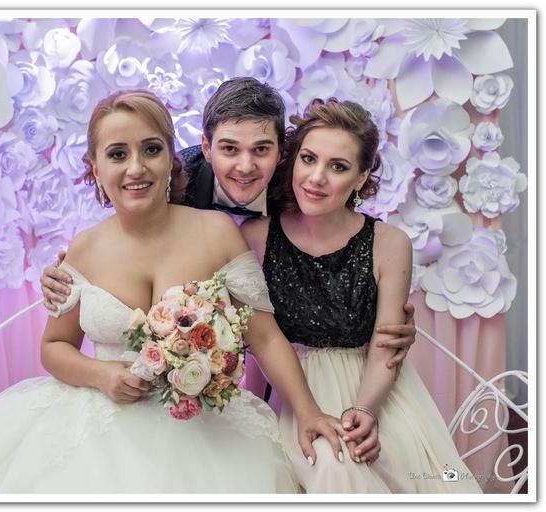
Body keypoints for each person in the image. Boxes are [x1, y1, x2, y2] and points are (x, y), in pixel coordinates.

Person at [0, 90, 360, 494]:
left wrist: (308, 412)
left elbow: (265, 336)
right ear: (95, 168)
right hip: (96, 422)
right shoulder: (84, 248)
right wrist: (101, 375)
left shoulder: (217, 232)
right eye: (117, 154)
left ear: (171, 159)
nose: (136, 168)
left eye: (151, 150)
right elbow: (54, 348)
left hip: (202, 425)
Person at [42, 78, 418, 409]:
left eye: (261, 149)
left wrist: (376, 317)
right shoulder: (168, 183)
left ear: (282, 151)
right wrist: (72, 277)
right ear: (206, 148)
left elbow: (337, 264)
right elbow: (129, 240)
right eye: (229, 149)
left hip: (276, 357)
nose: (244, 166)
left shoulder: (307, 190)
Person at [240, 97, 482, 493]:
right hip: (290, 392)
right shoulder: (256, 236)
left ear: (361, 176)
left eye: (338, 167)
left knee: (382, 468)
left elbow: (387, 343)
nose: (316, 177)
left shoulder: (389, 242)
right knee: (327, 465)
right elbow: (258, 340)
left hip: (371, 390)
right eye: (308, 159)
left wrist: (366, 409)